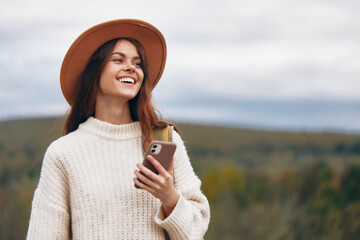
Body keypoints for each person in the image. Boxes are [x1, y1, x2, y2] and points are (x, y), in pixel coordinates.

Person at [26, 19, 210, 240]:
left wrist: (169, 197)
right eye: (118, 60)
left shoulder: (165, 141)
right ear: (95, 71)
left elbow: (197, 228)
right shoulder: (63, 153)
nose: (131, 67)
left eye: (138, 63)